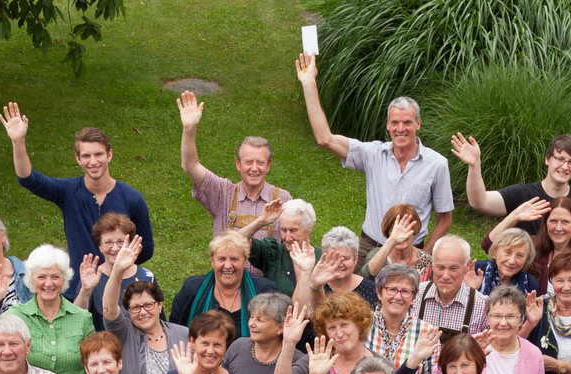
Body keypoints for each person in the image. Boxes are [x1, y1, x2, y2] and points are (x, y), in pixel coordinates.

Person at [295, 52, 453, 256]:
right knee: (359, 289)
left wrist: (423, 257)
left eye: (407, 122)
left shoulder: (437, 164)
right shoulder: (373, 154)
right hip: (370, 247)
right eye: (395, 122)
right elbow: (325, 138)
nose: (401, 128)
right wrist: (309, 83)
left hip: (411, 250)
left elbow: (445, 219)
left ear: (418, 124)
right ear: (388, 125)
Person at [0, 102, 154, 280]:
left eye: (98, 154)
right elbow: (28, 179)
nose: (93, 162)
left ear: (109, 155)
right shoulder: (68, 192)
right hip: (78, 288)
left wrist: (117, 266)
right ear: (77, 159)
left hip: (118, 286)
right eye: (86, 156)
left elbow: (147, 248)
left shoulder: (132, 199)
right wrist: (18, 142)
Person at [453, 132, 571, 263]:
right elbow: (480, 202)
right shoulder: (522, 194)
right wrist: (474, 166)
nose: (565, 167)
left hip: (565, 283)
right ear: (547, 159)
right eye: (559, 159)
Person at [178, 89, 291, 243]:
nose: (254, 168)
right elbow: (190, 165)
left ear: (269, 165)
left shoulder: (282, 199)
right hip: (227, 268)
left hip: (268, 269)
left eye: (260, 162)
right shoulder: (223, 193)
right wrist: (189, 129)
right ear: (238, 164)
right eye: (248, 162)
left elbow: (295, 241)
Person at [99, 234, 188, 374]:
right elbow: (108, 308)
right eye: (135, 308)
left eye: (148, 305)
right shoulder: (123, 332)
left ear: (160, 305)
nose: (142, 312)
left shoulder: (183, 335)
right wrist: (117, 270)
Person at [8, 245, 94, 374]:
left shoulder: (82, 317)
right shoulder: (17, 316)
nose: (48, 283)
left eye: (55, 276)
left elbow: (93, 364)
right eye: (41, 277)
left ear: (65, 279)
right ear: (31, 279)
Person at [486, 197, 571, 299]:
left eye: (565, 222)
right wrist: (514, 216)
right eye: (553, 221)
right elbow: (489, 246)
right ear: (545, 222)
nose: (558, 228)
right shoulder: (533, 247)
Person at [220, 292, 310, 374]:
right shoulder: (238, 346)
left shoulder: (299, 360)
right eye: (251, 317)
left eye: (260, 320)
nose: (252, 324)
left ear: (280, 328)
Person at [170, 231, 264, 336]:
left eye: (234, 259)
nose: (228, 265)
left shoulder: (263, 291)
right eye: (222, 259)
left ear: (245, 260)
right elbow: (174, 331)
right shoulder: (192, 289)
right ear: (212, 260)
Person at [481, 286, 548, 374]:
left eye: (511, 316)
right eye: (497, 316)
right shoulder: (475, 347)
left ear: (521, 319)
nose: (503, 323)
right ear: (487, 318)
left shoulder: (533, 354)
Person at [366, 264, 443, 374]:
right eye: (392, 290)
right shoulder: (362, 324)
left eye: (405, 291)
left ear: (413, 297)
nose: (398, 297)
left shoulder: (427, 332)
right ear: (379, 293)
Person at [85, 213, 159, 329]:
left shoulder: (147, 276)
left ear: (129, 244)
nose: (115, 248)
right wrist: (85, 290)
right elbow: (77, 318)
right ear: (99, 247)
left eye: (121, 242)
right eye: (108, 242)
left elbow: (159, 321)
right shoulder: (92, 276)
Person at [412, 235, 489, 335]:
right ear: (432, 265)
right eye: (441, 267)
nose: (446, 276)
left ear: (466, 267)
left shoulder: (482, 306)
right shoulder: (414, 295)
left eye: (453, 269)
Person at [241, 198, 320, 294]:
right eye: (283, 230)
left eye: (293, 230)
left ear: (309, 229)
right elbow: (238, 241)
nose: (287, 237)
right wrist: (261, 221)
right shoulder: (273, 253)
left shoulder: (321, 259)